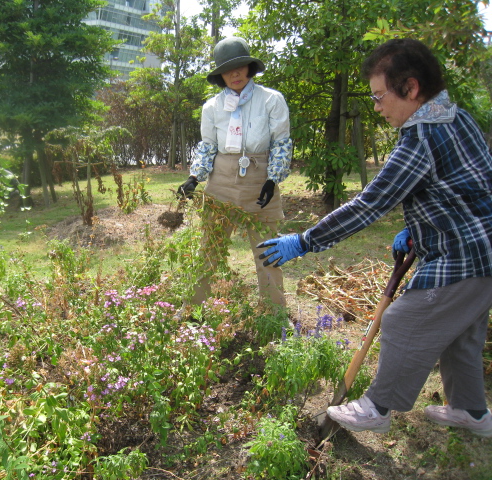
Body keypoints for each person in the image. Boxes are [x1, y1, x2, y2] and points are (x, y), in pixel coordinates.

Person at [257, 38, 492, 437]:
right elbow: (469, 184)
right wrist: (419, 228)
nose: (378, 107)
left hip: (466, 255)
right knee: (461, 336)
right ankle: (473, 413)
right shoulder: (457, 118)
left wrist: (306, 241)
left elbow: (369, 206)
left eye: (381, 97)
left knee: (402, 320)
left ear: (411, 88)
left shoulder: (420, 138)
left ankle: (377, 408)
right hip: (479, 245)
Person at [177, 36, 293, 308]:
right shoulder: (212, 107)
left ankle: (274, 315)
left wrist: (272, 180)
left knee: (268, 251)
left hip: (259, 179)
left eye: (240, 67)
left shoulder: (271, 100)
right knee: (210, 248)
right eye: (228, 70)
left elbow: (281, 143)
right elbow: (208, 146)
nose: (235, 74)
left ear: (249, 68)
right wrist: (195, 178)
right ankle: (193, 311)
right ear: (221, 76)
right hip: (222, 181)